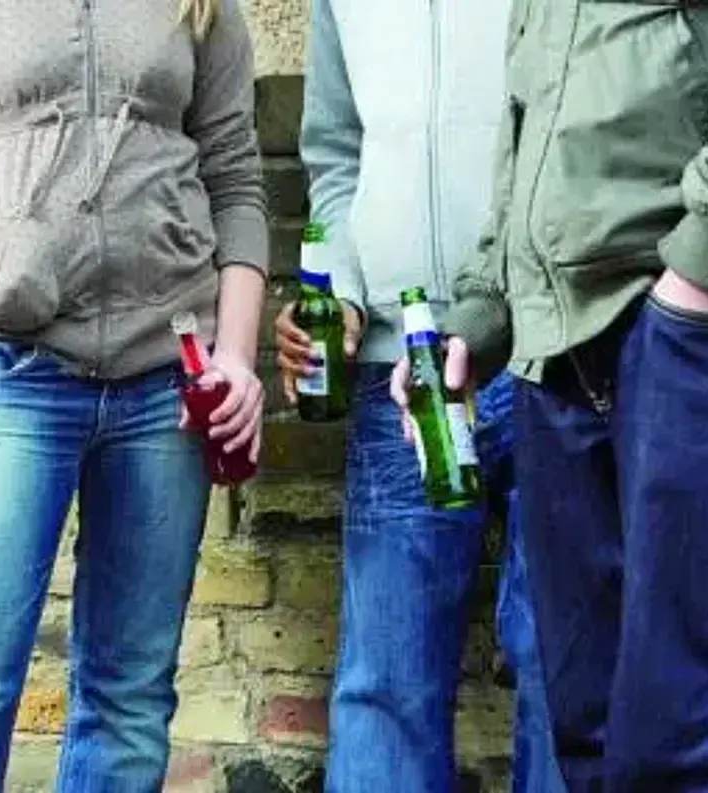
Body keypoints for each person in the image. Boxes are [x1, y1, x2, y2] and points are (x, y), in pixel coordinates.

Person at [392, 1, 708, 789]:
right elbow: (537, 111)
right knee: (591, 733)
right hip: (558, 342)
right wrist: (487, 308)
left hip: (688, 324)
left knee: (692, 737)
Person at [0, 0, 268, 788]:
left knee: (130, 701)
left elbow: (235, 177)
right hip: (10, 375)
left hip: (168, 385)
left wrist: (235, 357)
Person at [273, 1, 564, 790]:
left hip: (546, 352)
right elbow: (335, 156)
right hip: (400, 371)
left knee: (559, 663)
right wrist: (350, 294)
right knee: (386, 681)